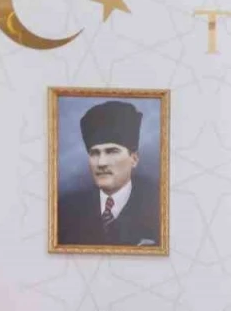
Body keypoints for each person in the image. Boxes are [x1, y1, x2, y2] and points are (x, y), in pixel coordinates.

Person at [56, 100, 161, 247]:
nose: (101, 163)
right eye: (94, 153)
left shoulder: (158, 204)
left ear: (134, 159)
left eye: (112, 151)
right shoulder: (66, 210)